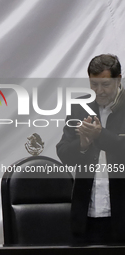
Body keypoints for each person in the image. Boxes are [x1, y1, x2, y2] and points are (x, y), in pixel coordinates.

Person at [56, 54, 125, 245]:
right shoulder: (79, 107)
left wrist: (99, 136)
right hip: (86, 214)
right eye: (94, 85)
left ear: (118, 79)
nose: (99, 91)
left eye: (105, 84)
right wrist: (82, 145)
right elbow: (64, 154)